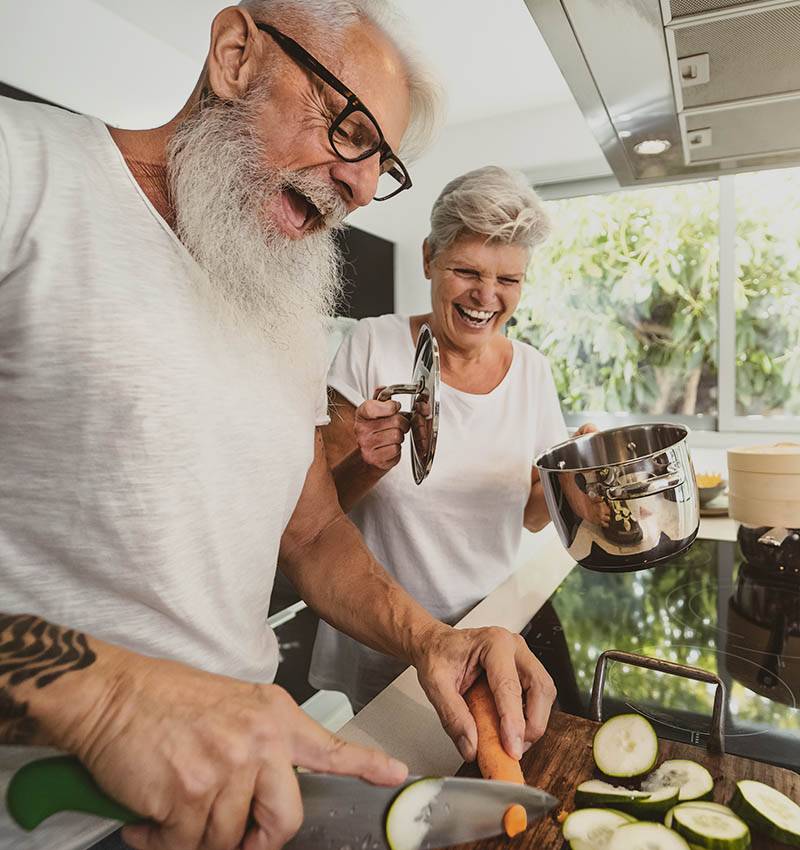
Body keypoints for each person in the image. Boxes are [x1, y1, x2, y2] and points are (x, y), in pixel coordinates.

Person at [0, 5, 557, 850]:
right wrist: (106, 699)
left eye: (384, 164)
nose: (364, 186)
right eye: (350, 129)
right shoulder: (22, 173)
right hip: (46, 822)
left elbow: (313, 532)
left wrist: (431, 641)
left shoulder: (285, 303)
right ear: (234, 55)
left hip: (249, 798)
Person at [311, 165, 600, 710]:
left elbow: (532, 514)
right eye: (466, 270)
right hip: (390, 634)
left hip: (494, 626)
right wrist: (369, 463)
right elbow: (318, 514)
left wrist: (575, 486)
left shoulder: (534, 371)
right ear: (428, 258)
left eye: (508, 280)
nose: (486, 296)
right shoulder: (373, 345)